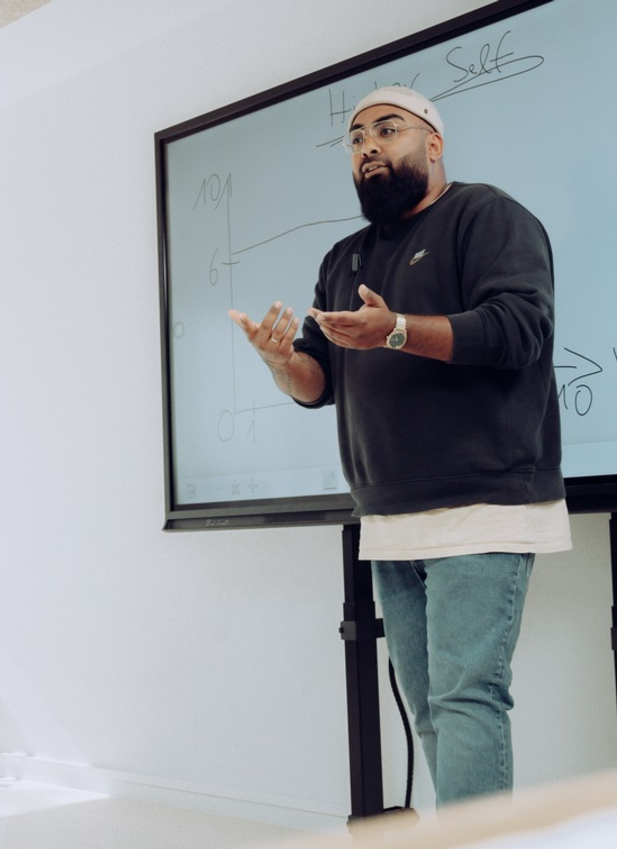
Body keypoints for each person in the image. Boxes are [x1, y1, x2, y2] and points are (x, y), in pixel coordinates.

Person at [230, 85, 571, 806]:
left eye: (388, 130)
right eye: (356, 140)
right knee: (431, 709)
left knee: (466, 698)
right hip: (388, 514)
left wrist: (396, 330)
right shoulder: (343, 258)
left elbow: (519, 329)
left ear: (434, 143)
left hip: (483, 502)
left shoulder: (487, 216)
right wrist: (280, 361)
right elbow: (319, 381)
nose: (369, 147)